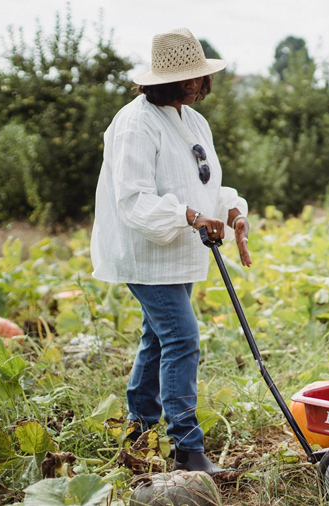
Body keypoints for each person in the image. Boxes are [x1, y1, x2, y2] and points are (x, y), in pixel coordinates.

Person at [90, 28, 250, 475]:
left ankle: (139, 427)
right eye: (189, 78)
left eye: (201, 76)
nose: (198, 84)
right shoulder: (135, 123)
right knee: (182, 337)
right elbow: (134, 199)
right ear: (164, 79)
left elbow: (204, 184)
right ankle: (187, 448)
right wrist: (191, 217)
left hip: (178, 250)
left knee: (158, 338)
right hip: (142, 250)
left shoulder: (193, 121)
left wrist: (232, 211)